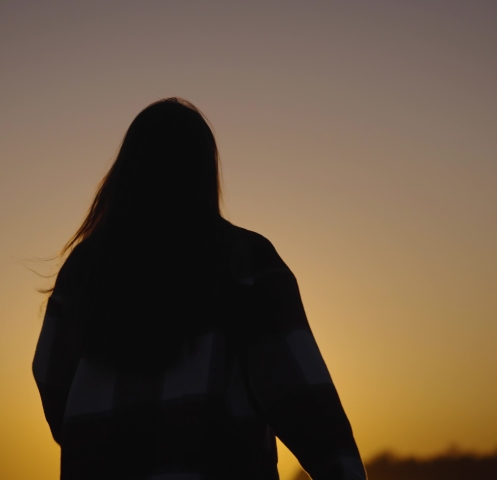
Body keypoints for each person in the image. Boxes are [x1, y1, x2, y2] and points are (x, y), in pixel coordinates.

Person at [33, 98, 366, 480]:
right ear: (205, 172)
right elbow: (305, 403)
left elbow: (53, 384)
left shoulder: (83, 270)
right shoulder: (244, 261)